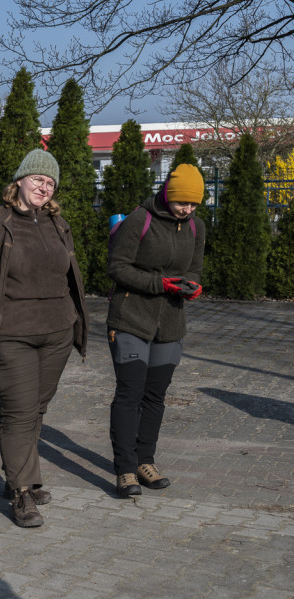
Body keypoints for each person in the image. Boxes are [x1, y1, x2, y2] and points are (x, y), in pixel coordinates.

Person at [0, 148, 88, 528]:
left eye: (50, 182)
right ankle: (21, 492)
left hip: (56, 332)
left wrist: (72, 321)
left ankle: (24, 475)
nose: (43, 187)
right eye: (37, 179)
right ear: (19, 180)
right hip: (10, 336)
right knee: (19, 412)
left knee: (37, 409)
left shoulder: (57, 224)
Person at [106, 164, 206, 496]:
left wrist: (192, 286)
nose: (187, 209)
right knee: (129, 394)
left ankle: (144, 461)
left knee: (155, 397)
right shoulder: (141, 219)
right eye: (182, 202)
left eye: (193, 205)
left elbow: (194, 268)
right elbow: (117, 267)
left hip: (170, 324)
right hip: (131, 318)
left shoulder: (196, 228)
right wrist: (157, 283)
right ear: (167, 193)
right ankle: (124, 469)